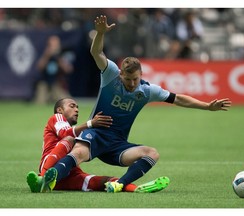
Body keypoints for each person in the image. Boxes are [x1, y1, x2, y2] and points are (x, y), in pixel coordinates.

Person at [41, 15, 232, 193]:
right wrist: (100, 33)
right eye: (129, 79)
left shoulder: (147, 91)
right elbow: (96, 52)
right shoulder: (110, 75)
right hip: (96, 134)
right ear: (121, 75)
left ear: (141, 75)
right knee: (79, 152)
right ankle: (50, 178)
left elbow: (178, 98)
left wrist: (207, 106)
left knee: (152, 153)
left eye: (136, 79)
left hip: (117, 145)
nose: (133, 84)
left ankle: (118, 185)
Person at [26, 98, 170, 193]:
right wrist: (90, 124)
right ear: (60, 110)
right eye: (72, 106)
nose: (76, 109)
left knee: (104, 182)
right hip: (50, 165)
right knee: (69, 139)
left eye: (77, 107)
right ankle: (42, 178)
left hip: (66, 174)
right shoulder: (56, 118)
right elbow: (64, 133)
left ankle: (138, 189)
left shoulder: (77, 131)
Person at [34, 35, 74, 104]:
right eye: (52, 45)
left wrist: (59, 59)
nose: (54, 47)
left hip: (57, 84)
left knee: (67, 102)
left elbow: (68, 69)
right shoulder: (44, 54)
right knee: (40, 102)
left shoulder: (61, 54)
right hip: (44, 83)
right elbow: (39, 67)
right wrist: (47, 55)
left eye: (56, 44)